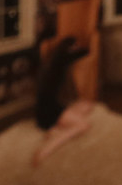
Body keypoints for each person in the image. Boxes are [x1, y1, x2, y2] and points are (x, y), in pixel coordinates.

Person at [29, 33, 99, 165]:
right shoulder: (63, 58)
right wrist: (81, 47)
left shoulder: (52, 58)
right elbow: (85, 51)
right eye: (75, 45)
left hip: (41, 112)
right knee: (83, 126)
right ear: (70, 47)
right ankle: (46, 150)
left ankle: (53, 130)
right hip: (50, 112)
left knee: (86, 105)